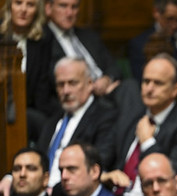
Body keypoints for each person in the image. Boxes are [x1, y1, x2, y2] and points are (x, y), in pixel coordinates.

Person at [103, 54, 177, 196]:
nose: (149, 88)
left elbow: (173, 175)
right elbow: (104, 156)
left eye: (158, 83)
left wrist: (147, 143)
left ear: (175, 89)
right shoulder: (131, 117)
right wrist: (106, 175)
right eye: (146, 81)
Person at [36, 57, 116, 184]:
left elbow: (100, 161)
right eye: (60, 85)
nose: (66, 91)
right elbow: (37, 158)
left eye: (72, 83)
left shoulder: (105, 116)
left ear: (90, 84)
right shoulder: (53, 121)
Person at [1, 0, 57, 139]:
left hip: (28, 107)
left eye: (30, 5)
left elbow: (42, 85)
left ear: (37, 10)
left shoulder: (44, 38)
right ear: (10, 6)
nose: (23, 10)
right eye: (18, 3)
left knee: (42, 122)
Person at [43, 0, 120, 95]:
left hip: (108, 92)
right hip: (77, 99)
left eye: (74, 7)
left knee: (130, 85)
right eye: (63, 6)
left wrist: (107, 79)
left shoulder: (89, 35)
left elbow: (114, 67)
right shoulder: (41, 42)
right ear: (48, 8)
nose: (69, 13)